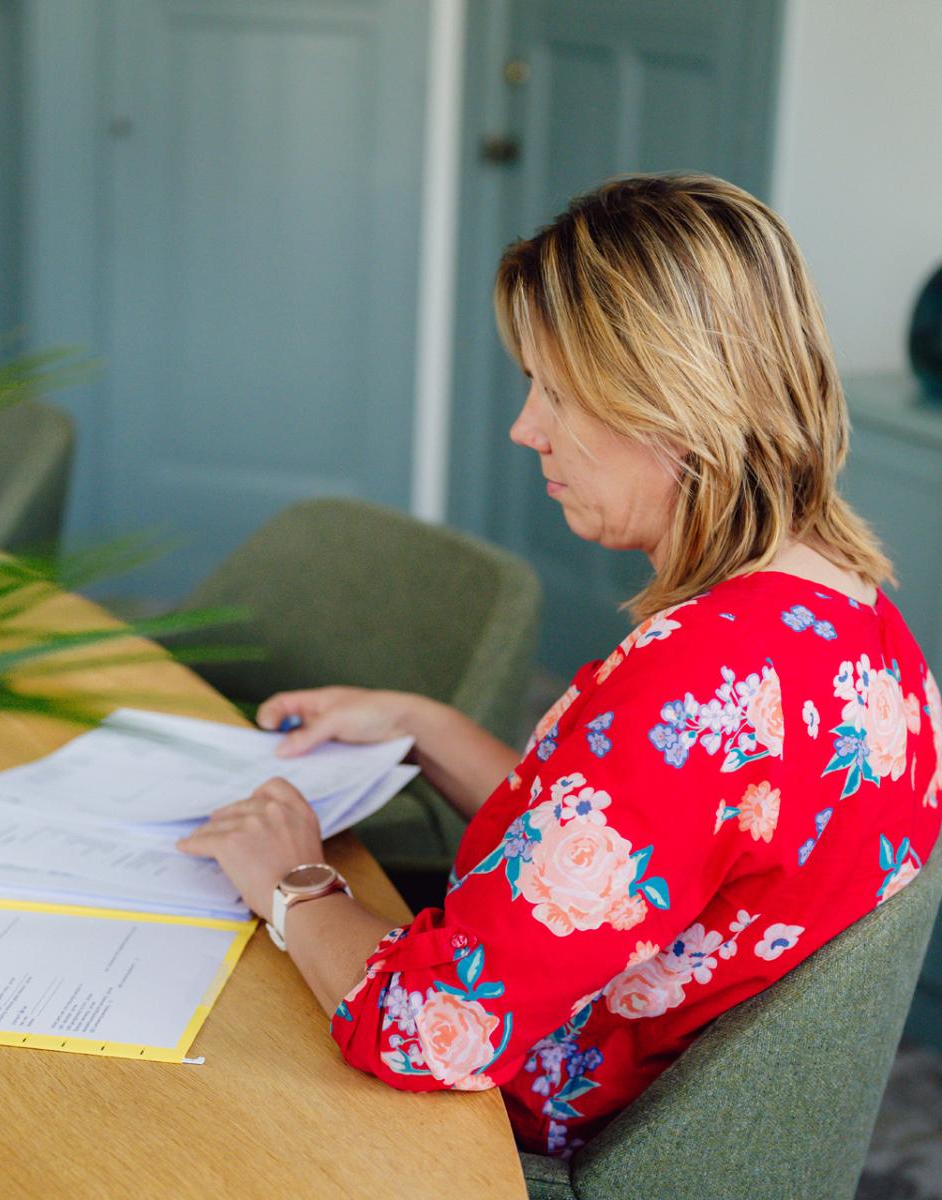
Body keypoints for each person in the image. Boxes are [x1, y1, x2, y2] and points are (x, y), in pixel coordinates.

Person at [176, 174, 942, 1157]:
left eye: (559, 392)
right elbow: (631, 865)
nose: (526, 428)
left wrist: (295, 883)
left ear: (675, 404)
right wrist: (428, 726)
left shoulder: (699, 684)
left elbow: (431, 1031)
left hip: (518, 1133)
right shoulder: (852, 613)